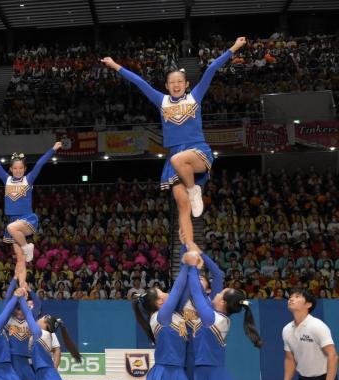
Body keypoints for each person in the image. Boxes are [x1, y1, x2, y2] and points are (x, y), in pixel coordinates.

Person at [101, 37, 246, 252]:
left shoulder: (195, 97)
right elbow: (139, 82)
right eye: (172, 82)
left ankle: (194, 190)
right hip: (175, 157)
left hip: (196, 152)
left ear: (186, 84)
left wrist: (234, 48)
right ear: (167, 86)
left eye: (180, 81)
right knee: (181, 204)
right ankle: (190, 246)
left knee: (178, 161)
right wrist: (114, 65)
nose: (176, 85)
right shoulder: (162, 101)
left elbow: (211, 69)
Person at [0, 141, 62, 290]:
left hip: (27, 219)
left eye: (21, 168)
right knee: (20, 259)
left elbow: (40, 163)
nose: (18, 170)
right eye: (15, 168)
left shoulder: (28, 179)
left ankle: (27, 247)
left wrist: (53, 149)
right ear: (10, 169)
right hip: (13, 221)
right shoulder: (7, 179)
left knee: (11, 228)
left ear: (25, 169)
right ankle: (22, 284)